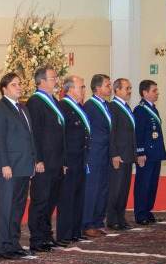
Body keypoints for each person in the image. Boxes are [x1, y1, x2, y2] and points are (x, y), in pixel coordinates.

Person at [0, 72, 37, 260]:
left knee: (18, 207)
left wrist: (32, 162)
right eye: (14, 85)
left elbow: (30, 137)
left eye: (19, 84)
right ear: (4, 89)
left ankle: (14, 243)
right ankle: (4, 247)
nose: (19, 87)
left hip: (23, 166)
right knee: (6, 208)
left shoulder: (23, 109)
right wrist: (4, 164)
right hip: (8, 168)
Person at [25, 66, 67, 251]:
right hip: (44, 161)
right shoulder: (35, 102)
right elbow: (35, 134)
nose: (56, 81)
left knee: (51, 200)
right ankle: (36, 238)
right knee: (40, 200)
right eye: (52, 78)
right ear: (42, 81)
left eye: (56, 78)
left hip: (56, 160)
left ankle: (47, 235)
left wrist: (64, 161)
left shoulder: (53, 101)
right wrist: (37, 159)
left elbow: (60, 132)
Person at [57, 76, 90, 244]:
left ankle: (76, 231)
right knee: (67, 198)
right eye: (81, 87)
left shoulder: (79, 107)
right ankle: (64, 233)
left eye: (84, 87)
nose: (84, 90)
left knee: (78, 197)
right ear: (69, 89)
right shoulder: (63, 106)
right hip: (69, 160)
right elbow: (61, 136)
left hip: (81, 159)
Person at [81, 74, 112, 237]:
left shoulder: (107, 105)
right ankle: (87, 223)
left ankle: (99, 220)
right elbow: (86, 131)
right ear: (97, 88)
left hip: (106, 153)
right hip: (94, 154)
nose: (110, 88)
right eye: (107, 85)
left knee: (103, 189)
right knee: (92, 189)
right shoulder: (90, 106)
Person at [133, 80, 166, 225]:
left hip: (155, 153)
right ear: (145, 93)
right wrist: (140, 152)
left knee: (152, 184)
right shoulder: (140, 110)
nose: (157, 93)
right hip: (145, 154)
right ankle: (140, 214)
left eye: (157, 90)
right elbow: (138, 133)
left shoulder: (153, 108)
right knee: (143, 184)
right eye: (154, 90)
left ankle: (148, 211)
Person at [106, 78, 137, 231]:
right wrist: (115, 153)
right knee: (116, 189)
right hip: (119, 155)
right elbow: (112, 133)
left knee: (124, 188)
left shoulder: (126, 107)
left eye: (130, 88)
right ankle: (112, 219)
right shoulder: (113, 107)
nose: (129, 91)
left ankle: (121, 217)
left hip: (128, 153)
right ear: (117, 90)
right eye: (127, 88)